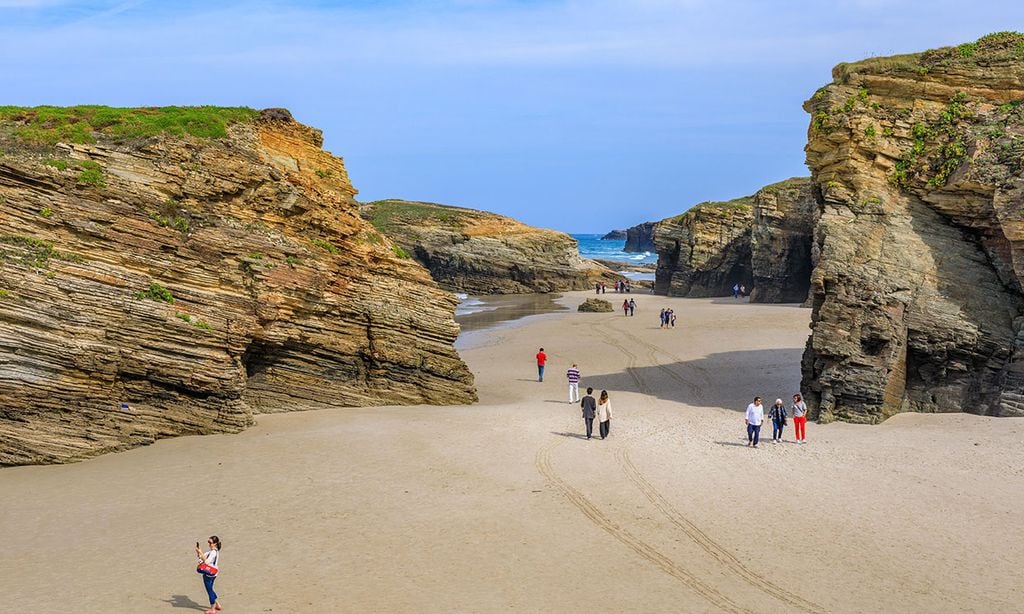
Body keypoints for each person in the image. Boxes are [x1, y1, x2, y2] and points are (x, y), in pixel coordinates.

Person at [195, 536, 222, 614]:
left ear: (215, 543)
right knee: (211, 589)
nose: (209, 544)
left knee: (209, 590)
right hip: (214, 573)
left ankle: (213, 609)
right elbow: (201, 557)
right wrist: (198, 551)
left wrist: (200, 552)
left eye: (210, 542)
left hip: (209, 574)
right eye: (208, 542)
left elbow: (206, 562)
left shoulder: (213, 552)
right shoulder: (212, 551)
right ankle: (218, 605)